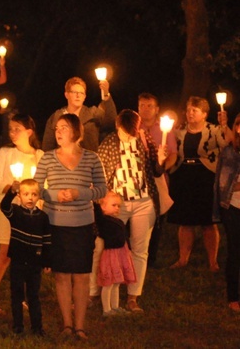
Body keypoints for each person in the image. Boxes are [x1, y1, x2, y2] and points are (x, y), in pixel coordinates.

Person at [34, 113, 107, 341]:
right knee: (62, 275)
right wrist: (55, 195)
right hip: (55, 223)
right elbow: (36, 188)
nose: (58, 132)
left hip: (82, 223)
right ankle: (67, 323)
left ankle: (80, 325)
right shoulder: (47, 158)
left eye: (64, 127)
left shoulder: (91, 158)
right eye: (57, 128)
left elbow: (102, 189)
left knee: (82, 275)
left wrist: (79, 193)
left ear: (76, 132)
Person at [95, 109, 166, 312]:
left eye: (132, 132)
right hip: (118, 203)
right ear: (118, 127)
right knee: (105, 246)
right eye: (126, 132)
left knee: (140, 249)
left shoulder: (143, 138)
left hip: (144, 202)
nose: (129, 136)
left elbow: (156, 171)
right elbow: (101, 173)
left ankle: (133, 297)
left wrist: (160, 159)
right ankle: (97, 291)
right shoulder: (109, 143)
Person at [0, 114, 44, 314]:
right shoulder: (5, 153)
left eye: (17, 128)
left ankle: (23, 298)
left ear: (29, 132)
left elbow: (45, 185)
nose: (13, 133)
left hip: (31, 212)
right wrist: (11, 187)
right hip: (9, 210)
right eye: (10, 129)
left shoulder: (39, 155)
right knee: (5, 254)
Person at [168, 96, 230, 271]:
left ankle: (213, 262)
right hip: (184, 177)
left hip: (205, 178)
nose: (190, 113)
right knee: (185, 221)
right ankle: (182, 259)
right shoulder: (178, 131)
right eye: (188, 110)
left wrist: (225, 126)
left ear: (204, 114)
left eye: (194, 110)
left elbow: (228, 146)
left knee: (207, 221)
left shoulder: (214, 130)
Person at [0, 179, 51, 335]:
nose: (30, 198)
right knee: (17, 294)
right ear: (20, 196)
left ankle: (37, 327)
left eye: (34, 194)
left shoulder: (42, 217)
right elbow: (4, 206)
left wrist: (47, 261)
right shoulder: (15, 212)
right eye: (26, 194)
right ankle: (18, 326)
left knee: (33, 295)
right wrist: (11, 191)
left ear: (39, 197)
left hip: (35, 263)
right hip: (18, 261)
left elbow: (47, 240)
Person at [138, 92, 178, 266]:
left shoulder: (164, 129)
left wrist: (161, 169)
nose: (145, 110)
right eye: (142, 106)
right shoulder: (133, 126)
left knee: (157, 218)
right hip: (137, 179)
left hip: (158, 179)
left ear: (157, 109)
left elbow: (173, 154)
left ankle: (151, 258)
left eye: (149, 106)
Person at [41, 76, 116, 151]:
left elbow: (111, 121)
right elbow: (48, 146)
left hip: (89, 161)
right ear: (66, 95)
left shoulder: (93, 114)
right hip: (63, 161)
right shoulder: (56, 117)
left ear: (85, 97)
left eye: (81, 93)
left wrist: (106, 94)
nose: (78, 95)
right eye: (74, 92)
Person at [94, 192, 136, 316]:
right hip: (111, 254)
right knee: (109, 283)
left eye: (118, 206)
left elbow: (124, 235)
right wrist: (96, 200)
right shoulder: (104, 220)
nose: (117, 208)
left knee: (117, 282)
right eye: (114, 205)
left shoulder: (118, 221)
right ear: (103, 206)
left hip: (120, 253)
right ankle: (106, 309)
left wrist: (129, 248)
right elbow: (97, 213)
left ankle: (115, 306)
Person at [214, 113, 240, 312]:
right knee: (235, 251)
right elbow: (224, 185)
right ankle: (233, 296)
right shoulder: (229, 152)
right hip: (233, 207)